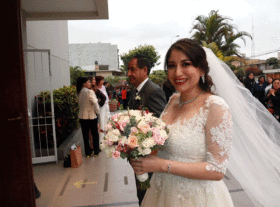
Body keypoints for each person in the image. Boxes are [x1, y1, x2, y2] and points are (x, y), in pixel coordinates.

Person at [131, 38, 280, 207]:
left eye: (186, 64)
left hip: (196, 198)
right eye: (172, 66)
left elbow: (217, 169)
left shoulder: (215, 107)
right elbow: (163, 143)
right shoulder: (173, 100)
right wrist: (135, 144)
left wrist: (162, 165)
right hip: (161, 192)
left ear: (202, 69)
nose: (177, 72)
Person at [127, 54, 167, 205]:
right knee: (142, 195)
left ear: (145, 70)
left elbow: (160, 126)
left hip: (149, 157)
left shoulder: (154, 91)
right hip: (137, 156)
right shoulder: (135, 91)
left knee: (149, 197)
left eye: (132, 69)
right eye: (128, 70)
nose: (129, 73)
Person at [76, 77, 100, 157]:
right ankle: (96, 151)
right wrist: (98, 112)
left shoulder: (79, 92)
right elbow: (95, 103)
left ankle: (88, 153)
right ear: (84, 84)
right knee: (95, 134)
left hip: (82, 116)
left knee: (85, 135)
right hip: (91, 116)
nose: (90, 83)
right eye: (88, 82)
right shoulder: (89, 92)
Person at [95, 76, 111, 142]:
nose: (103, 81)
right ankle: (101, 140)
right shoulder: (96, 89)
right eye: (101, 80)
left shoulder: (104, 87)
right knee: (102, 122)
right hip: (101, 106)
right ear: (98, 81)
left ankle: (108, 137)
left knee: (108, 119)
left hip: (106, 105)